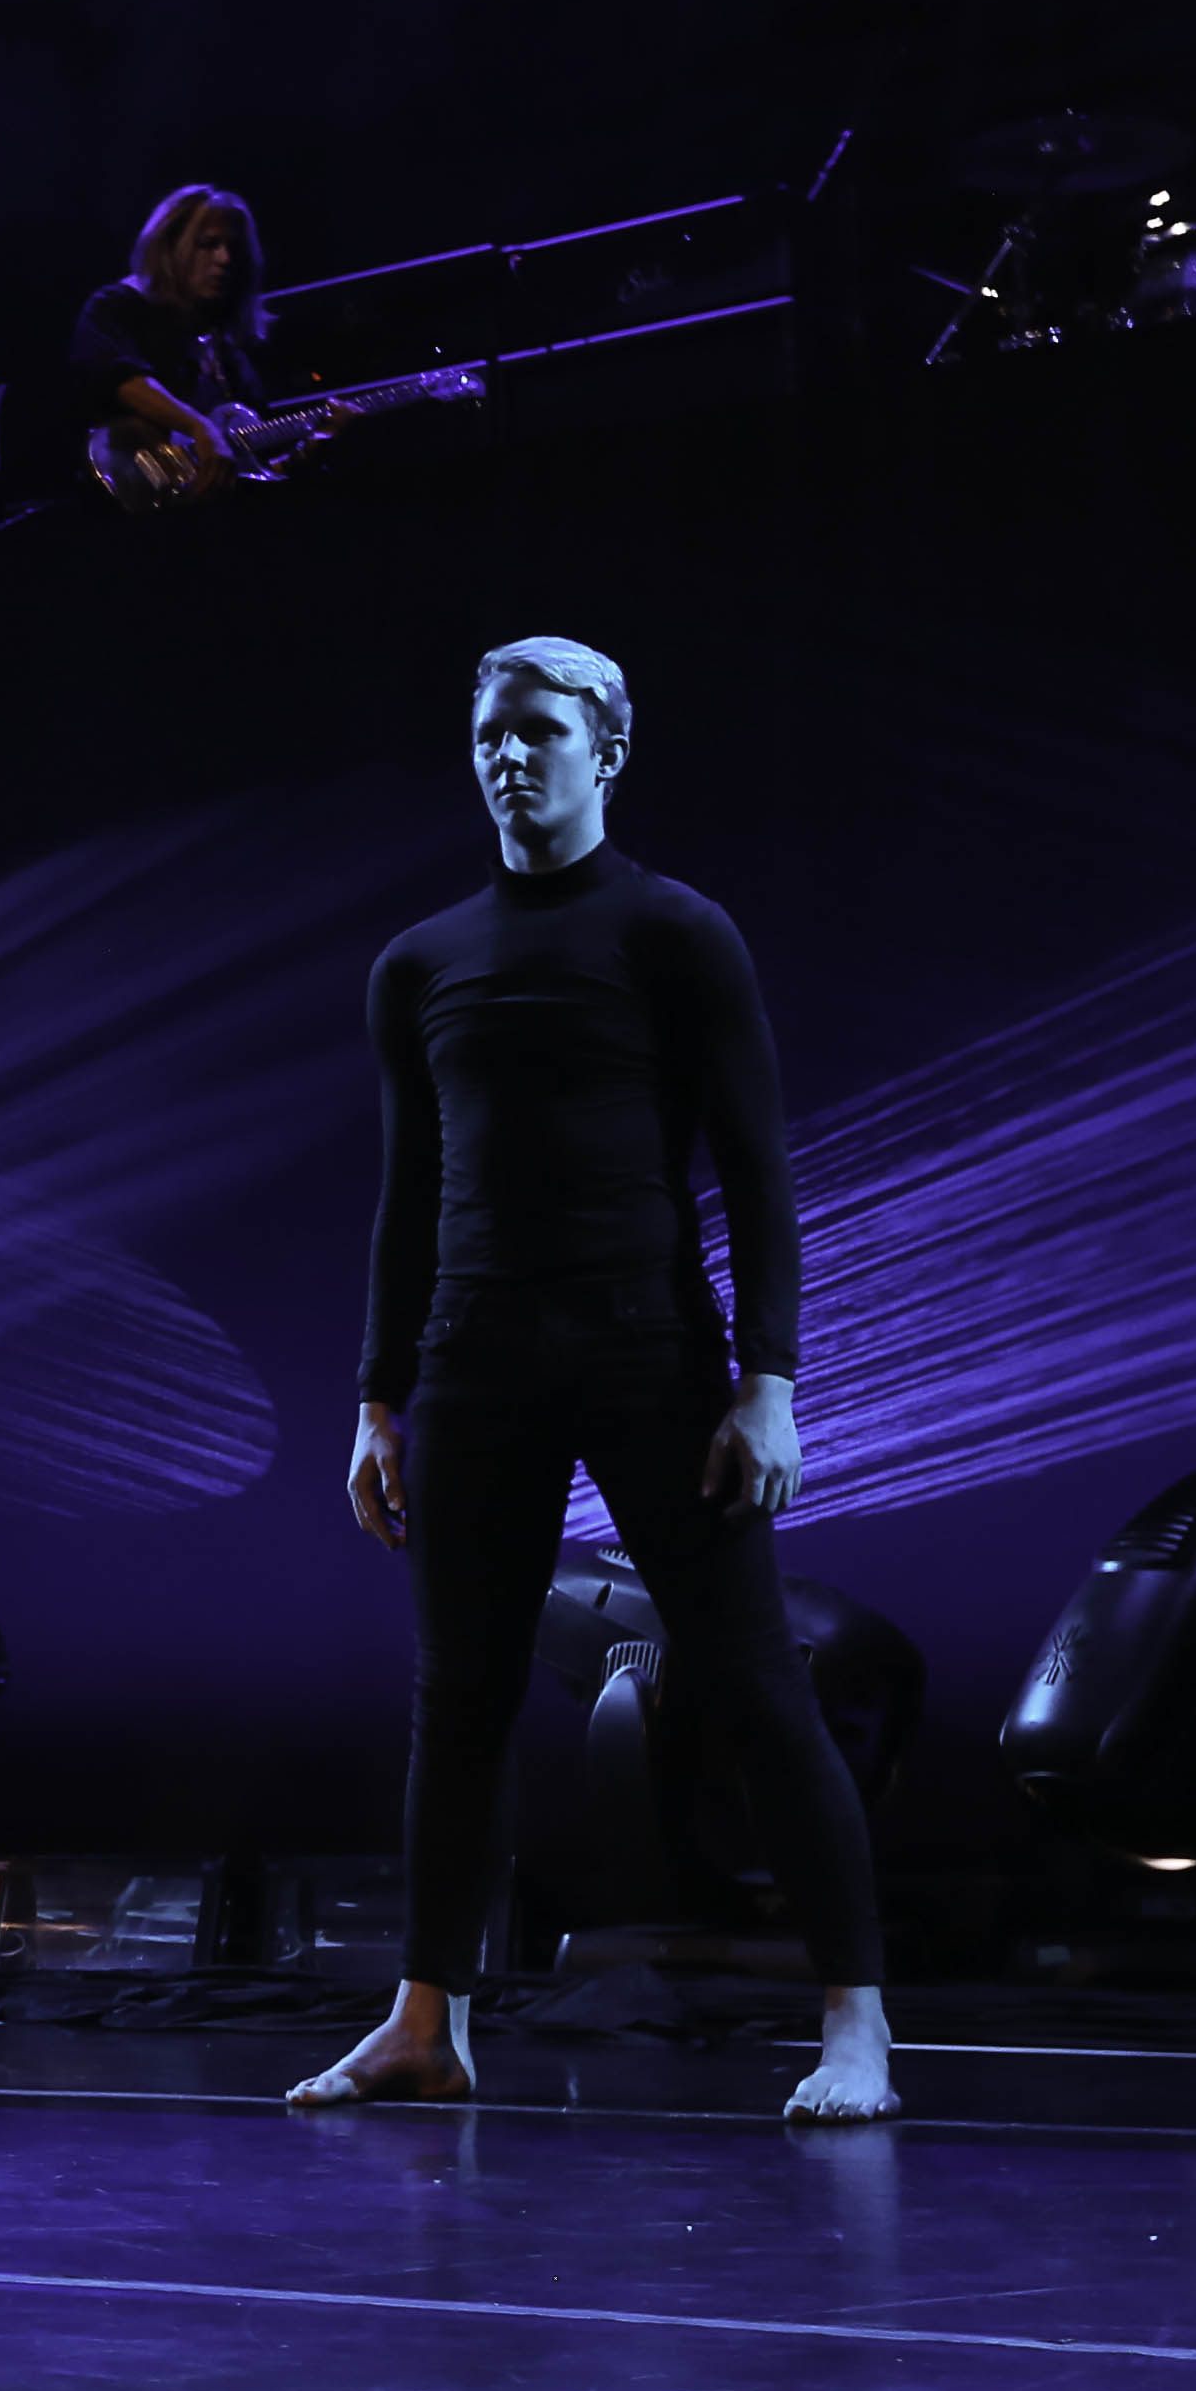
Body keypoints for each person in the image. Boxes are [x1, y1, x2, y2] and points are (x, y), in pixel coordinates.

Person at [289, 637, 898, 2126]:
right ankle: (426, 2021)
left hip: (649, 1351)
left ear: (607, 750)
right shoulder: (419, 962)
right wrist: (376, 1398)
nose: (510, 756)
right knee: (461, 1696)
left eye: (541, 731)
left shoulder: (677, 931)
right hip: (473, 1359)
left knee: (753, 1680)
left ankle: (858, 2023)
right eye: (489, 734)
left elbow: (756, 1166)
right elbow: (409, 1196)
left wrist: (770, 1381)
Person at [69, 185, 310, 499]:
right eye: (208, 245)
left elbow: (250, 466)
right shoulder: (115, 307)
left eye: (234, 249)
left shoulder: (227, 349)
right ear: (169, 246)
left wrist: (305, 452)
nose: (225, 259)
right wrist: (199, 427)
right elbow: (118, 377)